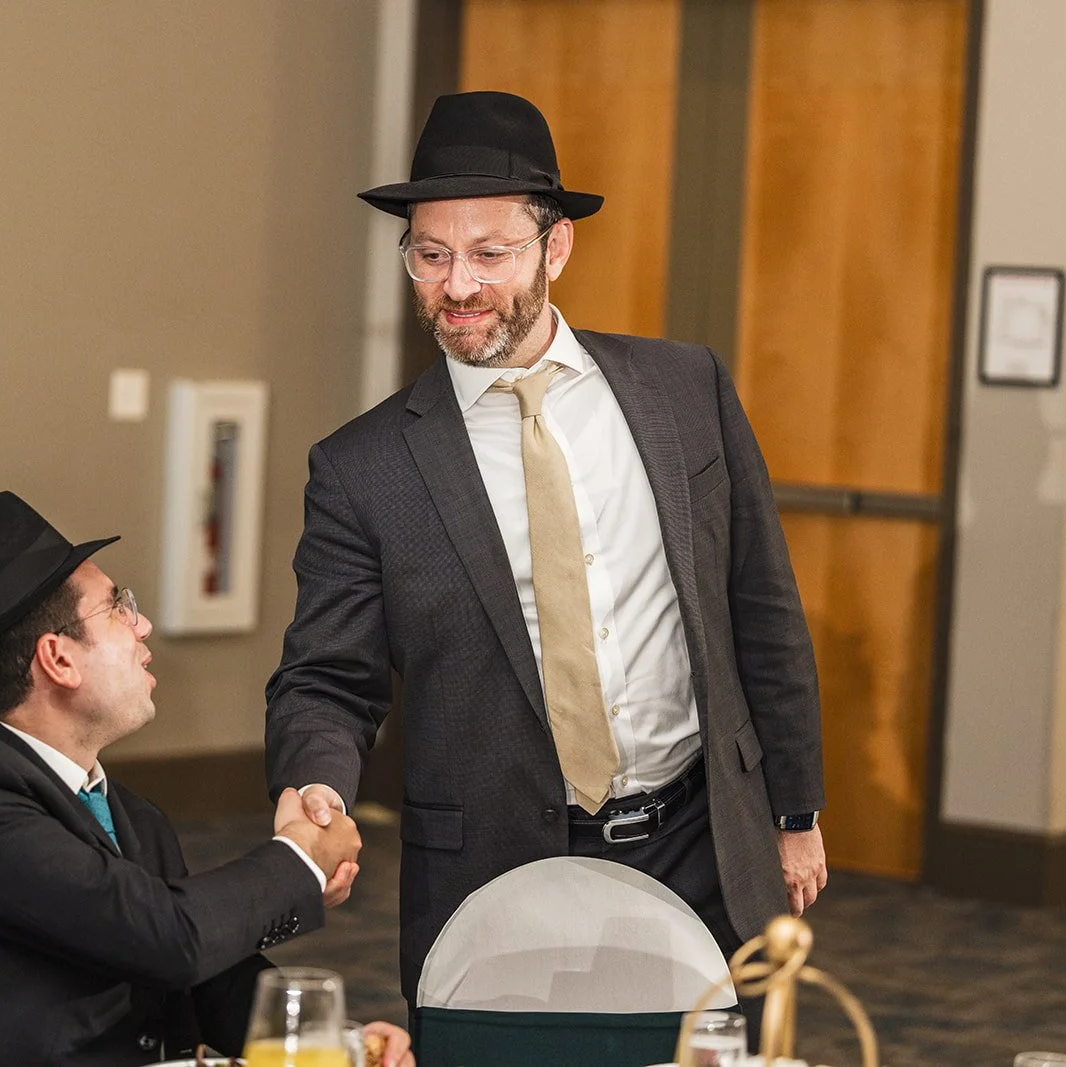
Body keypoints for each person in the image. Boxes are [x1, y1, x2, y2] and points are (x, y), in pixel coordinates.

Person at [265, 91, 828, 1008]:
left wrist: (794, 809)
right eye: (430, 255)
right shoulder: (363, 468)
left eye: (490, 253)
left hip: (703, 842)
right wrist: (316, 782)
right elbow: (327, 677)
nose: (457, 285)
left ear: (555, 247)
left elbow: (760, 604)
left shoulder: (684, 389)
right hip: (498, 865)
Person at [0, 491, 410, 1067]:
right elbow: (165, 936)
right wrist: (300, 860)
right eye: (118, 607)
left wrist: (338, 1045)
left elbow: (207, 982)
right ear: (58, 659)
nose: (142, 625)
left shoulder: (132, 817)